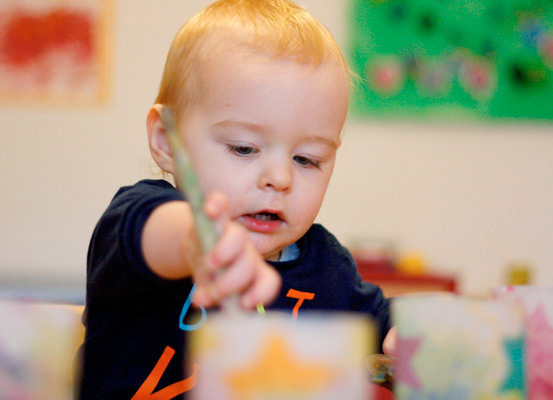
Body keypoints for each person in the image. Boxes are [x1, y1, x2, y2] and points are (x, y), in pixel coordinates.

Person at [77, 0, 393, 398]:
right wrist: (198, 241)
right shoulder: (141, 223)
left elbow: (383, 321)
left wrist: (405, 334)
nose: (279, 178)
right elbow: (151, 228)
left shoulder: (327, 265)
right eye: (244, 149)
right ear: (166, 141)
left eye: (307, 159)